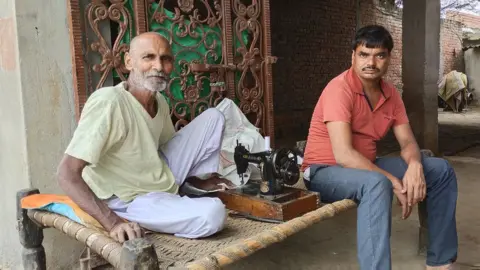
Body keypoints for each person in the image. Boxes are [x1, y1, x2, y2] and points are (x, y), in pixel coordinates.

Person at [301, 25, 458, 270]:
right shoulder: (339, 89)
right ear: (353, 56)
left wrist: (415, 165)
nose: (371, 62)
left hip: (367, 167)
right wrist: (394, 181)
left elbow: (407, 142)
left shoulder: (391, 94)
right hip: (324, 171)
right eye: (364, 54)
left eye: (379, 55)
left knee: (439, 170)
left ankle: (440, 263)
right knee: (378, 183)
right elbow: (344, 155)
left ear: (388, 59)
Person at [57, 32, 235, 243]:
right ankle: (160, 212)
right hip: (131, 200)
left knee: (214, 117)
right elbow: (66, 173)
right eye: (148, 57)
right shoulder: (109, 102)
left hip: (159, 180)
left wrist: (199, 181)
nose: (158, 66)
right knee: (213, 214)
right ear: (129, 62)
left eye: (165, 59)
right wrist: (113, 222)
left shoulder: (159, 101)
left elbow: (166, 151)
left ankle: (182, 194)